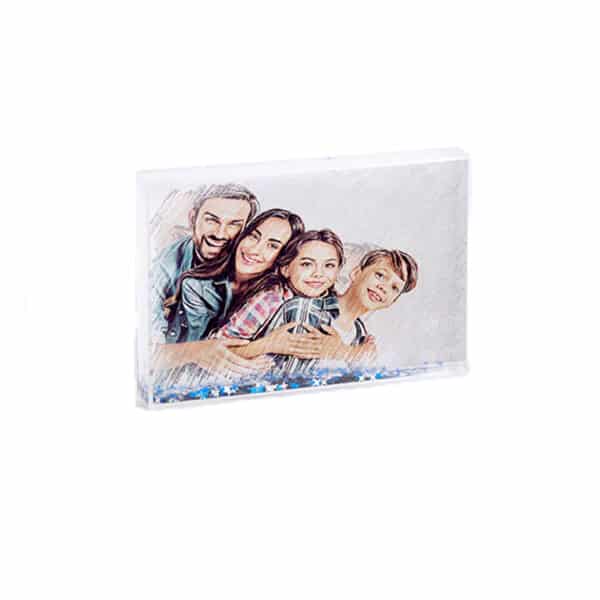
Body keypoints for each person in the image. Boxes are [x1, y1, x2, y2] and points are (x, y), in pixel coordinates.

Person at [155, 208, 305, 378]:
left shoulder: (274, 296)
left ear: (284, 257)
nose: (254, 249)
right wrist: (264, 345)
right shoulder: (198, 287)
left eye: (272, 246)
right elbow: (202, 354)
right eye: (254, 236)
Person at [151, 184, 260, 376]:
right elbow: (146, 355)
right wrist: (196, 351)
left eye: (234, 224)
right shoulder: (163, 267)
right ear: (193, 218)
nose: (220, 234)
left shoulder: (255, 261)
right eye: (211, 220)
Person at [212, 229, 345, 375]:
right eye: (307, 264)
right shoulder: (270, 299)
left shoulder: (330, 303)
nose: (318, 274)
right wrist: (266, 345)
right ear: (286, 269)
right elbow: (216, 350)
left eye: (329, 265)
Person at [315, 248, 419, 367]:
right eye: (380, 275)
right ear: (356, 273)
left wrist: (352, 356)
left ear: (392, 302)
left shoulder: (363, 340)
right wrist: (349, 353)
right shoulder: (313, 306)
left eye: (394, 288)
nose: (384, 287)